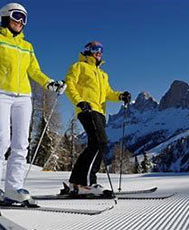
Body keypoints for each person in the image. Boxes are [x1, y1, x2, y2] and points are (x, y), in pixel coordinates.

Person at [0, 3, 66, 215]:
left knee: (21, 143)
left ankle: (13, 188)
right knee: (1, 139)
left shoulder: (27, 46)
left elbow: (35, 70)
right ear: (5, 17)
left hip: (24, 96)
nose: (21, 21)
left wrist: (49, 83)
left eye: (24, 18)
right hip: (0, 92)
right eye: (16, 16)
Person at [65, 41, 131, 195]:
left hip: (100, 112)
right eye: (95, 49)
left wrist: (120, 95)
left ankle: (75, 182)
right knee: (100, 142)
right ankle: (88, 183)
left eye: (101, 50)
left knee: (94, 144)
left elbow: (108, 93)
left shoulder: (102, 74)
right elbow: (70, 84)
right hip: (87, 109)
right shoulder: (79, 66)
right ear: (88, 51)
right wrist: (79, 101)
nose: (99, 52)